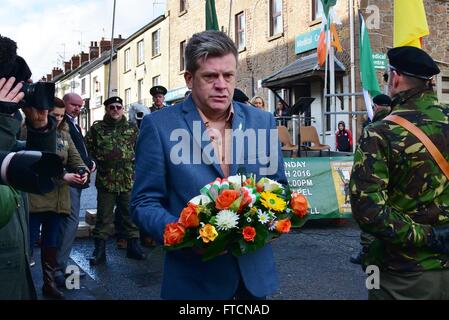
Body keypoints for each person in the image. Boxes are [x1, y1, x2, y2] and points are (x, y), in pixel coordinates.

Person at [130, 30, 286, 300]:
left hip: (254, 281)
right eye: (210, 76)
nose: (222, 85)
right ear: (189, 79)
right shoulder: (159, 127)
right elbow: (144, 203)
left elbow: (280, 187)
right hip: (194, 283)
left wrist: (270, 223)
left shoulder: (263, 121)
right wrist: (186, 234)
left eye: (228, 75)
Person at [349, 46, 449, 300]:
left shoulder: (380, 132)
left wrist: (429, 236)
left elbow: (368, 210)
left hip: (404, 273)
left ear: (395, 78)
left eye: (386, 77)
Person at [0, 35, 58, 299]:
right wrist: (3, 117)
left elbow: (40, 170)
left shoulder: (9, 132)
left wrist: (40, 127)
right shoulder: (5, 125)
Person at [25, 97, 88, 299]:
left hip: (57, 201)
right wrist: (64, 176)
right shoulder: (30, 131)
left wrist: (81, 170)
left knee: (51, 244)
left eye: (61, 116)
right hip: (36, 198)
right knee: (27, 244)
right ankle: (22, 286)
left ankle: (49, 284)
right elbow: (32, 163)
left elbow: (76, 158)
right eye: (55, 115)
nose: (59, 120)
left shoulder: (64, 134)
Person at [86, 96, 145, 265]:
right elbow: (88, 150)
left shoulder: (132, 129)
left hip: (127, 178)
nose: (115, 110)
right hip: (107, 179)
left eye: (118, 107)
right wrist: (93, 163)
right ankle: (99, 251)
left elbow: (139, 150)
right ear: (107, 109)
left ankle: (133, 247)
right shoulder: (97, 129)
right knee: (104, 217)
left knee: (129, 214)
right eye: (112, 107)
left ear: (122, 109)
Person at [56, 93, 95, 281]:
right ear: (64, 103)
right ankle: (59, 267)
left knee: (67, 224)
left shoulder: (71, 123)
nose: (78, 109)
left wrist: (88, 163)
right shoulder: (61, 122)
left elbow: (78, 149)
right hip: (67, 180)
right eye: (74, 105)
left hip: (76, 176)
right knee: (68, 224)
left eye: (80, 106)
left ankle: (59, 265)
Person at [350, 94, 392, 265]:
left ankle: (368, 252)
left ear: (376, 107)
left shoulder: (374, 128)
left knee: (370, 211)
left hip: (374, 178)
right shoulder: (400, 123)